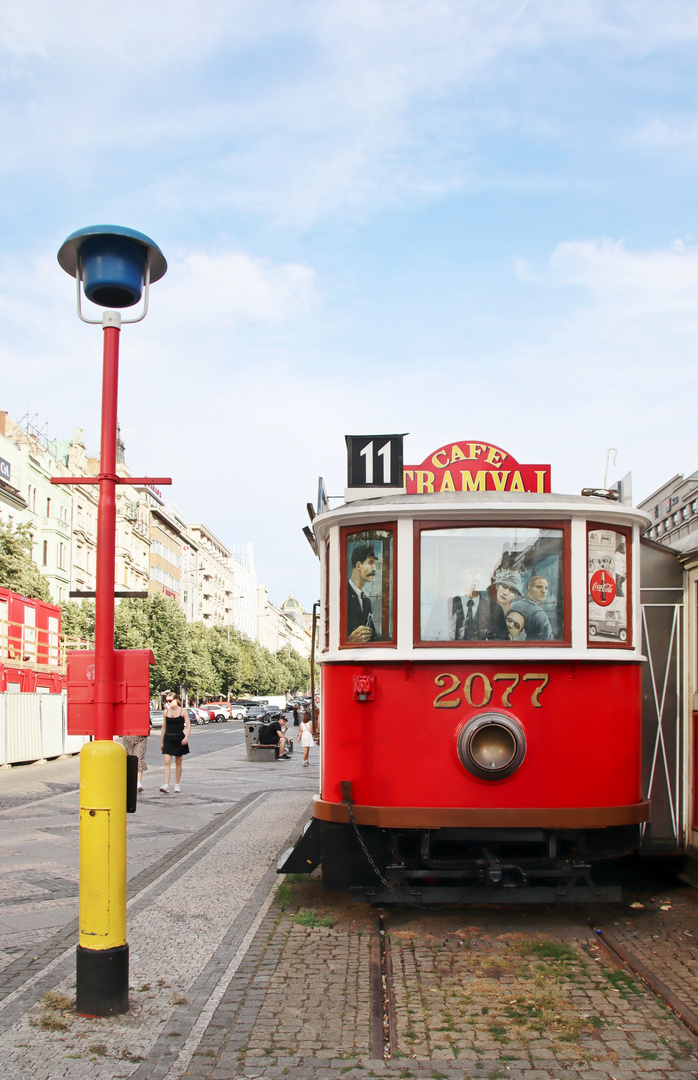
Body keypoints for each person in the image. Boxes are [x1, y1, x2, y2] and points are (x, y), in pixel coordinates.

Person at [426, 566, 508, 641]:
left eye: (482, 575)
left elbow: (501, 641)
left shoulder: (495, 609)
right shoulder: (443, 605)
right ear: (461, 574)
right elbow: (431, 637)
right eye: (473, 573)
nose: (479, 578)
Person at [347, 543, 379, 643]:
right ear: (358, 565)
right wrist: (349, 641)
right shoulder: (342, 595)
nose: (374, 568)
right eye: (370, 563)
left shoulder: (366, 601)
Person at [160, 693, 191, 793]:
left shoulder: (183, 711)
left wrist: (186, 737)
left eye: (170, 700)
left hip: (179, 738)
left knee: (178, 762)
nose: (168, 703)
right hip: (168, 738)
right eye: (167, 701)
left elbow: (188, 726)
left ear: (176, 699)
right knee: (167, 762)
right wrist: (161, 742)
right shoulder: (166, 712)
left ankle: (177, 784)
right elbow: (163, 727)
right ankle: (166, 785)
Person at [522, 575, 554, 640]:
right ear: (529, 588)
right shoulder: (538, 613)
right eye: (539, 587)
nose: (544, 591)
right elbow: (548, 640)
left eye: (546, 588)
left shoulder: (514, 604)